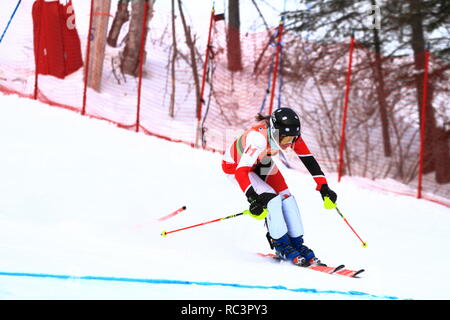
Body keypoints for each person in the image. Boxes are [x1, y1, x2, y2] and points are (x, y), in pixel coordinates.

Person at [222, 107, 337, 266]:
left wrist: (324, 187)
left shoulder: (289, 136)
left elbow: (309, 161)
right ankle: (281, 245)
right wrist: (254, 200)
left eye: (292, 139)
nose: (288, 143)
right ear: (275, 131)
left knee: (286, 197)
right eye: (285, 139)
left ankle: (297, 244)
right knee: (272, 200)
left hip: (261, 161)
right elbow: (241, 172)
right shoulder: (258, 138)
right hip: (235, 167)